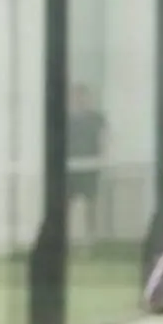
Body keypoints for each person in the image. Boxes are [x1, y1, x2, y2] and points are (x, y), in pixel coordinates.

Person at [67, 83, 106, 244]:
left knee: (91, 204)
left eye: (82, 96)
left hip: (90, 166)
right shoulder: (68, 119)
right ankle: (66, 238)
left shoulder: (96, 118)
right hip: (71, 167)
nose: (80, 100)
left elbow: (105, 137)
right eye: (76, 96)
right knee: (68, 203)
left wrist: (103, 157)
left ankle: (91, 238)